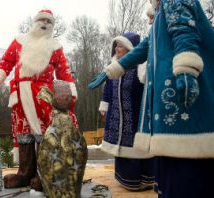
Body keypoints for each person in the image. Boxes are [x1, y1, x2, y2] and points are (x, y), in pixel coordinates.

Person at [89, 0, 214, 197]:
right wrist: (114, 68)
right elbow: (142, 49)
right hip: (169, 109)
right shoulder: (161, 16)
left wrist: (186, 70)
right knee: (172, 169)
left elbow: (185, 32)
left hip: (182, 101)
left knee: (185, 174)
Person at [0, 9, 78, 190]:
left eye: (48, 22)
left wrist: (70, 92)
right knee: (24, 134)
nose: (44, 23)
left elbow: (64, 71)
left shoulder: (55, 47)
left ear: (52, 26)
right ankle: (25, 173)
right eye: (41, 20)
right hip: (20, 94)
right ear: (35, 22)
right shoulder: (20, 41)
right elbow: (6, 63)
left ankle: (45, 174)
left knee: (45, 134)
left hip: (43, 95)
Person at [98, 32, 154, 191]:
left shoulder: (140, 68)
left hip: (135, 116)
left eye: (120, 45)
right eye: (116, 45)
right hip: (116, 116)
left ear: (130, 48)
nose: (116, 48)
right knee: (120, 147)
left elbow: (147, 90)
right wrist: (104, 106)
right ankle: (125, 179)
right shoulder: (112, 67)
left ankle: (143, 179)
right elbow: (107, 90)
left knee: (137, 148)